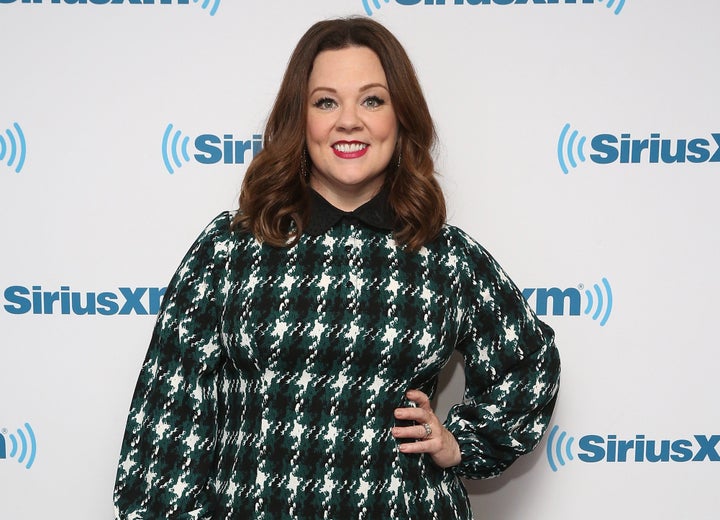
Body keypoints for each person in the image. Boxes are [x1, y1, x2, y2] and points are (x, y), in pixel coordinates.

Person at [113, 16, 560, 520]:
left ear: (401, 118)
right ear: (299, 120)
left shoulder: (445, 258)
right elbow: (167, 414)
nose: (349, 121)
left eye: (372, 100)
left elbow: (528, 364)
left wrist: (462, 443)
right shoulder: (229, 250)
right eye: (326, 101)